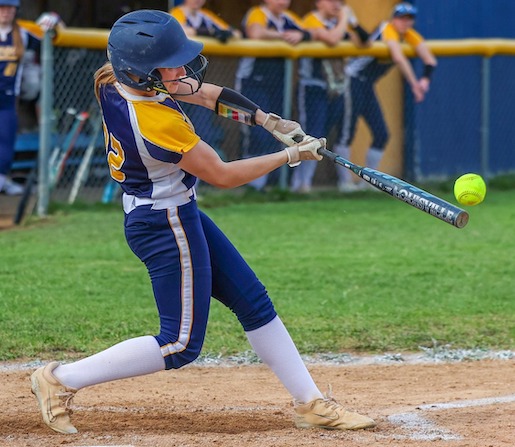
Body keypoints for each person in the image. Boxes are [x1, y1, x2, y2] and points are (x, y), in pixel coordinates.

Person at [30, 10, 376, 435]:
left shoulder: (110, 80)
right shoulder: (157, 123)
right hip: (163, 224)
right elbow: (223, 175)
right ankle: (60, 379)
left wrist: (268, 121)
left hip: (173, 211)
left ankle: (311, 403)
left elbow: (206, 95)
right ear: (140, 73)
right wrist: (291, 155)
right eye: (168, 65)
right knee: (179, 343)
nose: (180, 72)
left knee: (253, 302)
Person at [335, 2, 437, 191]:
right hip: (352, 81)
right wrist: (414, 84)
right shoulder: (387, 28)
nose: (405, 22)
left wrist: (425, 80)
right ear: (393, 19)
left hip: (367, 85)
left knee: (381, 133)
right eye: (401, 18)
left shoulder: (408, 35)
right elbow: (398, 57)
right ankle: (345, 183)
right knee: (347, 133)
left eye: (409, 19)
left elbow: (430, 59)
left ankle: (369, 182)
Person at [291, 0, 369, 193]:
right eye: (331, 1)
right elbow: (332, 39)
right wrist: (344, 18)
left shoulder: (338, 23)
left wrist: (353, 22)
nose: (337, 5)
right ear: (319, 3)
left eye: (340, 2)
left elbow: (365, 42)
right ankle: (300, 184)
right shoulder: (311, 19)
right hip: (312, 87)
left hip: (335, 87)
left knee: (329, 134)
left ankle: (341, 182)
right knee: (311, 134)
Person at [235, 0, 311, 191]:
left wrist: (301, 35)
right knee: (256, 133)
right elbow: (256, 32)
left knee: (278, 132)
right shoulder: (258, 13)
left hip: (278, 84)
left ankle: (269, 185)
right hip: (252, 82)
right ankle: (252, 185)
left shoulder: (288, 18)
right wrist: (284, 36)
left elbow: (310, 32)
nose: (282, 2)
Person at [0, 2, 62, 195]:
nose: (6, 12)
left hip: (8, 98)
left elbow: (51, 38)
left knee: (6, 140)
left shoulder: (23, 33)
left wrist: (54, 19)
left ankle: (1, 180)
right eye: (2, 8)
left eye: (10, 8)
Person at [170, 0, 241, 160]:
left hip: (195, 78)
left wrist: (222, 33)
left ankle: (204, 166)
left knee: (203, 126)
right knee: (179, 124)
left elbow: (236, 33)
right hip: (175, 80)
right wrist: (211, 32)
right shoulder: (177, 13)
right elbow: (184, 31)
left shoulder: (205, 16)